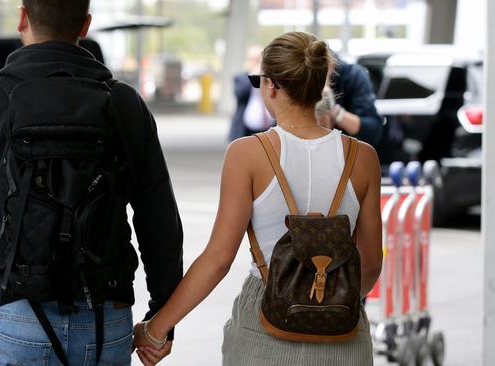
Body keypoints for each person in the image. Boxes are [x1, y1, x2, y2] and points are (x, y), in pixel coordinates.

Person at [0, 0, 183, 365]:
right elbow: (160, 224)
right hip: (105, 316)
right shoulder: (124, 104)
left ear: (21, 18)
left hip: (17, 311)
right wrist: (161, 315)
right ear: (85, 26)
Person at [133, 32, 382, 366]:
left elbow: (219, 259)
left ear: (271, 86)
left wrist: (155, 329)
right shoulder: (363, 157)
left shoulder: (247, 154)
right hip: (344, 331)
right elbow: (371, 263)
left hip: (265, 323)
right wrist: (328, 300)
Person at [324, 55, 383, 146]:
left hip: (348, 153)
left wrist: (334, 110)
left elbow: (372, 131)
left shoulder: (353, 75)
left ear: (330, 66)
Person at [228, 46, 275, 141]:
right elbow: (240, 94)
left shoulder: (271, 77)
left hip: (269, 126)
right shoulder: (241, 78)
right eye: (253, 59)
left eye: (258, 59)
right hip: (246, 129)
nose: (256, 62)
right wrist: (253, 76)